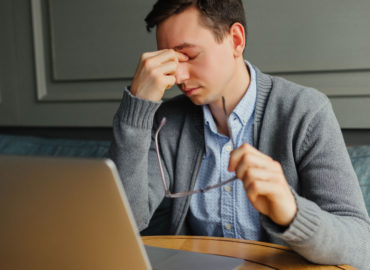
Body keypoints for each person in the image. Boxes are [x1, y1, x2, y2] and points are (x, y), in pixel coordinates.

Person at [109, 0, 370, 268]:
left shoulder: (305, 111)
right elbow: (124, 222)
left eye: (188, 56)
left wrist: (292, 212)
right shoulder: (166, 121)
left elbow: (362, 245)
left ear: (236, 40)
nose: (178, 76)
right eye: (169, 60)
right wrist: (137, 105)